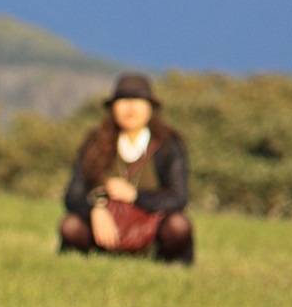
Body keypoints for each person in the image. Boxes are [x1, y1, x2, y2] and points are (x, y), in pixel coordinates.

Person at [59, 73, 194, 264]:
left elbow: (178, 198)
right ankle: (85, 263)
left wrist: (135, 196)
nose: (130, 108)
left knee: (178, 226)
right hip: (102, 229)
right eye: (123, 101)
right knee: (70, 226)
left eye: (138, 101)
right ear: (112, 107)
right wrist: (94, 211)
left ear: (150, 108)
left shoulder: (168, 146)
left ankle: (165, 264)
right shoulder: (95, 143)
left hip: (150, 227)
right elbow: (72, 195)